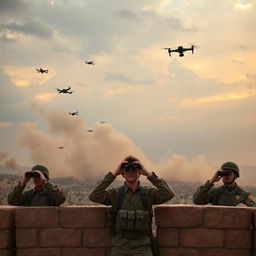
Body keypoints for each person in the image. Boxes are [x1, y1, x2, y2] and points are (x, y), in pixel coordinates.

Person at [88, 155, 175, 256]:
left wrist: (147, 173)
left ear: (139, 173)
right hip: (120, 246)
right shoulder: (115, 194)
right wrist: (114, 173)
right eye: (127, 170)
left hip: (142, 246)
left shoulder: (148, 193)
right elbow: (94, 195)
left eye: (134, 169)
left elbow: (168, 193)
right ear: (123, 174)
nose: (130, 172)